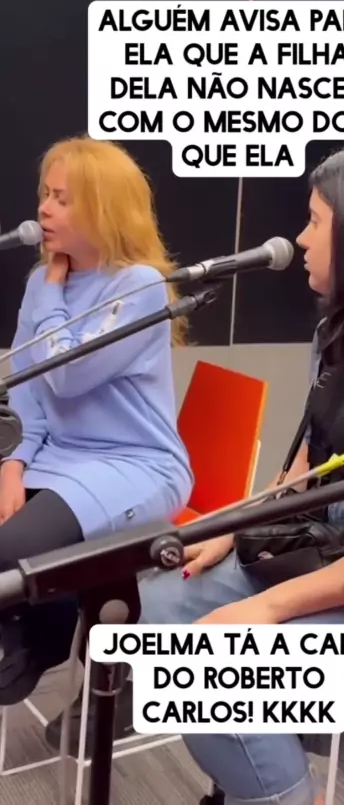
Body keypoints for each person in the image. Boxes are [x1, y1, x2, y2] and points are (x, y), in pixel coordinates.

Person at [48, 141, 344, 801]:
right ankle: (252, 777)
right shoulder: (343, 330)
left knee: (209, 670)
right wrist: (232, 527)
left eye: (315, 221)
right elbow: (310, 463)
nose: (300, 238)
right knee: (157, 604)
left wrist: (265, 607)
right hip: (342, 545)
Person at [0, 135, 193, 705]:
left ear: (104, 209)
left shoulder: (139, 285)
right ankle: (28, 636)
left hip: (134, 466)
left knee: (11, 552)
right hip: (58, 458)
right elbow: (27, 387)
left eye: (61, 199)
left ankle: (45, 635)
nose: (44, 209)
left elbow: (67, 373)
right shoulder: (41, 283)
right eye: (45, 194)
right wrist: (13, 464)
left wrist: (51, 292)